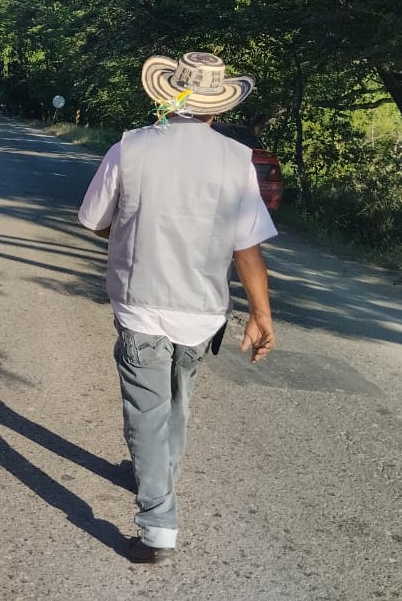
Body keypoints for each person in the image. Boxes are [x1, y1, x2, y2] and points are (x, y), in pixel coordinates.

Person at [77, 51, 277, 566]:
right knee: (177, 401)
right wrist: (261, 315)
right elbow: (247, 248)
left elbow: (95, 219)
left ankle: (157, 529)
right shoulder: (236, 159)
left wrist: (129, 231)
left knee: (147, 412)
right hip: (203, 310)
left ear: (168, 97)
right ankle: (161, 476)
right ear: (218, 106)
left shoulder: (130, 148)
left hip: (141, 303)